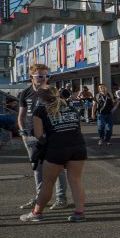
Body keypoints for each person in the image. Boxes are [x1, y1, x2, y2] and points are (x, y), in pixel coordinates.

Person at [19, 85, 88, 223]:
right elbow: (77, 127)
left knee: (48, 183)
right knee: (75, 180)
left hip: (56, 149)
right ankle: (79, 213)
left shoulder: (40, 111)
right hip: (78, 147)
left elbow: (38, 135)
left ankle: (36, 213)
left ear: (40, 97)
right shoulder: (70, 107)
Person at [18, 64, 69, 210]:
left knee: (57, 168)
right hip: (32, 137)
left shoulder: (52, 92)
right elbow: (21, 116)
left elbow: (62, 113)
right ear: (31, 77)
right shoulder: (25, 93)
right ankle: (40, 198)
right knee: (37, 169)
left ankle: (61, 198)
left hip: (51, 136)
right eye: (40, 76)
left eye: (47, 76)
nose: (44, 78)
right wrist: (23, 133)